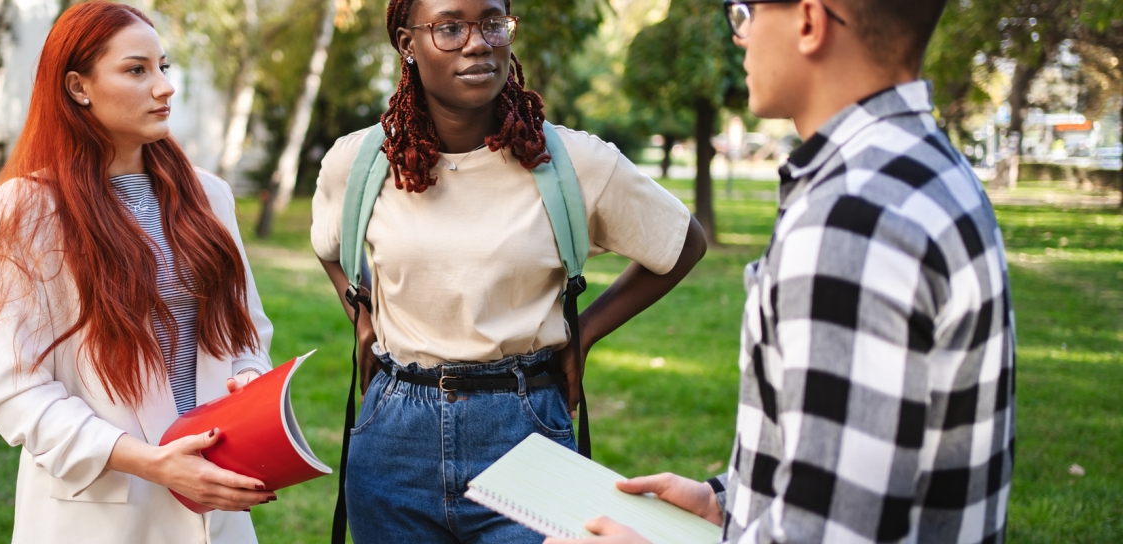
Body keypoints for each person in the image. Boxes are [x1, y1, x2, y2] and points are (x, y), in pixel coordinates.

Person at [547, 1, 1016, 543]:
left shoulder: (851, 221)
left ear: (810, 21)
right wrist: (731, 502)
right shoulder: (932, 171)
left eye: (745, 10)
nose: (739, 35)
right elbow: (864, 465)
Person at [310, 0, 709, 542]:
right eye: (449, 28)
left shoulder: (570, 162)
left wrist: (584, 331)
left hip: (523, 430)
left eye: (493, 23)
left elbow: (682, 242)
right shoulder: (357, 163)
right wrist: (361, 312)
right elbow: (330, 247)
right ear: (408, 44)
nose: (478, 42)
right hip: (392, 441)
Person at [0, 2, 275, 542]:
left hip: (217, 506)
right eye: (137, 70)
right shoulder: (25, 210)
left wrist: (247, 385)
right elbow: (17, 392)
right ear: (79, 87)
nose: (164, 87)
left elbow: (247, 335)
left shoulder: (210, 197)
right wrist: (155, 463)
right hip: (102, 514)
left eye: (164, 67)